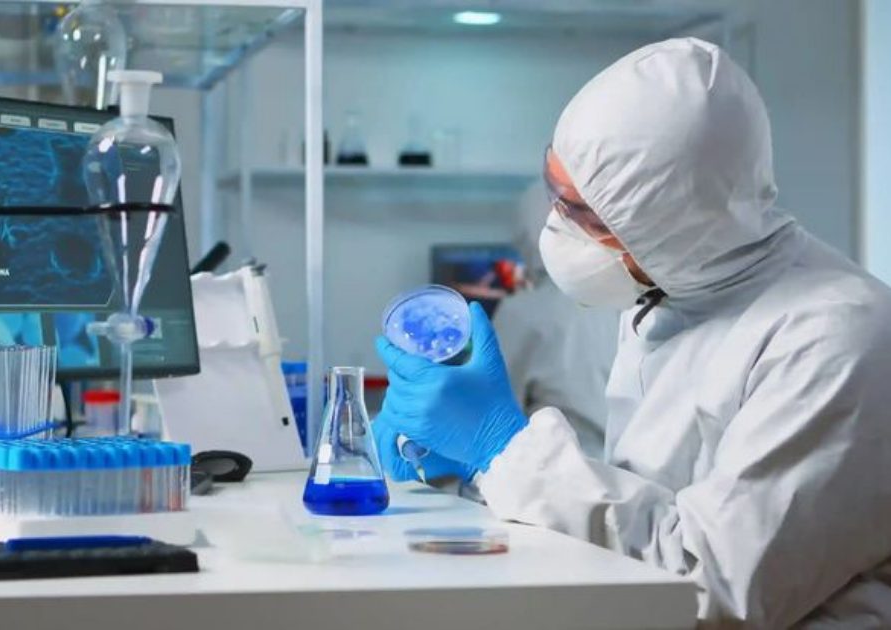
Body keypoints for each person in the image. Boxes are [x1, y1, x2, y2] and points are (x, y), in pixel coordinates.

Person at [373, 38, 891, 628]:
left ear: (673, 224)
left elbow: (711, 588)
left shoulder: (837, 338)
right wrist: (485, 473)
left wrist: (504, 450)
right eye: (554, 195)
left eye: (581, 214)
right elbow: (645, 506)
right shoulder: (668, 288)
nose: (554, 229)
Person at [492, 182, 618, 457]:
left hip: (558, 472)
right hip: (627, 472)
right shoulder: (625, 299)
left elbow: (491, 410)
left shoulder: (526, 311)